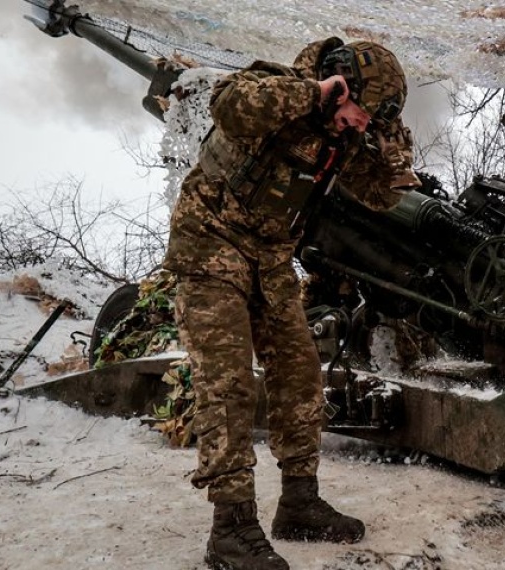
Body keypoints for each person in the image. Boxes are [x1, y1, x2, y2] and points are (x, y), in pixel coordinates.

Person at [162, 37, 418, 570]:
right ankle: (230, 530)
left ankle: (299, 501)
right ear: (340, 82)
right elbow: (229, 106)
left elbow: (379, 196)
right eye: (355, 111)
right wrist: (312, 94)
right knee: (228, 382)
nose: (356, 124)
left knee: (302, 375)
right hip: (211, 244)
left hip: (271, 259)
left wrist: (390, 152)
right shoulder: (274, 86)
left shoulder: (344, 133)